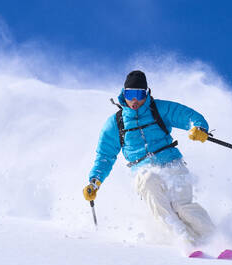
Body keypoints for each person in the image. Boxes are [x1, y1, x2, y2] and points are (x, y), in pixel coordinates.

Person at [83, 70, 215, 246]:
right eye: (130, 94)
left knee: (182, 207)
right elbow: (105, 156)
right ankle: (184, 239)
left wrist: (199, 128)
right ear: (123, 93)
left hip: (172, 164)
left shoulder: (159, 109)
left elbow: (188, 116)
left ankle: (216, 239)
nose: (135, 100)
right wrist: (95, 181)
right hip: (142, 169)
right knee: (149, 184)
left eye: (139, 94)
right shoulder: (116, 123)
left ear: (146, 93)